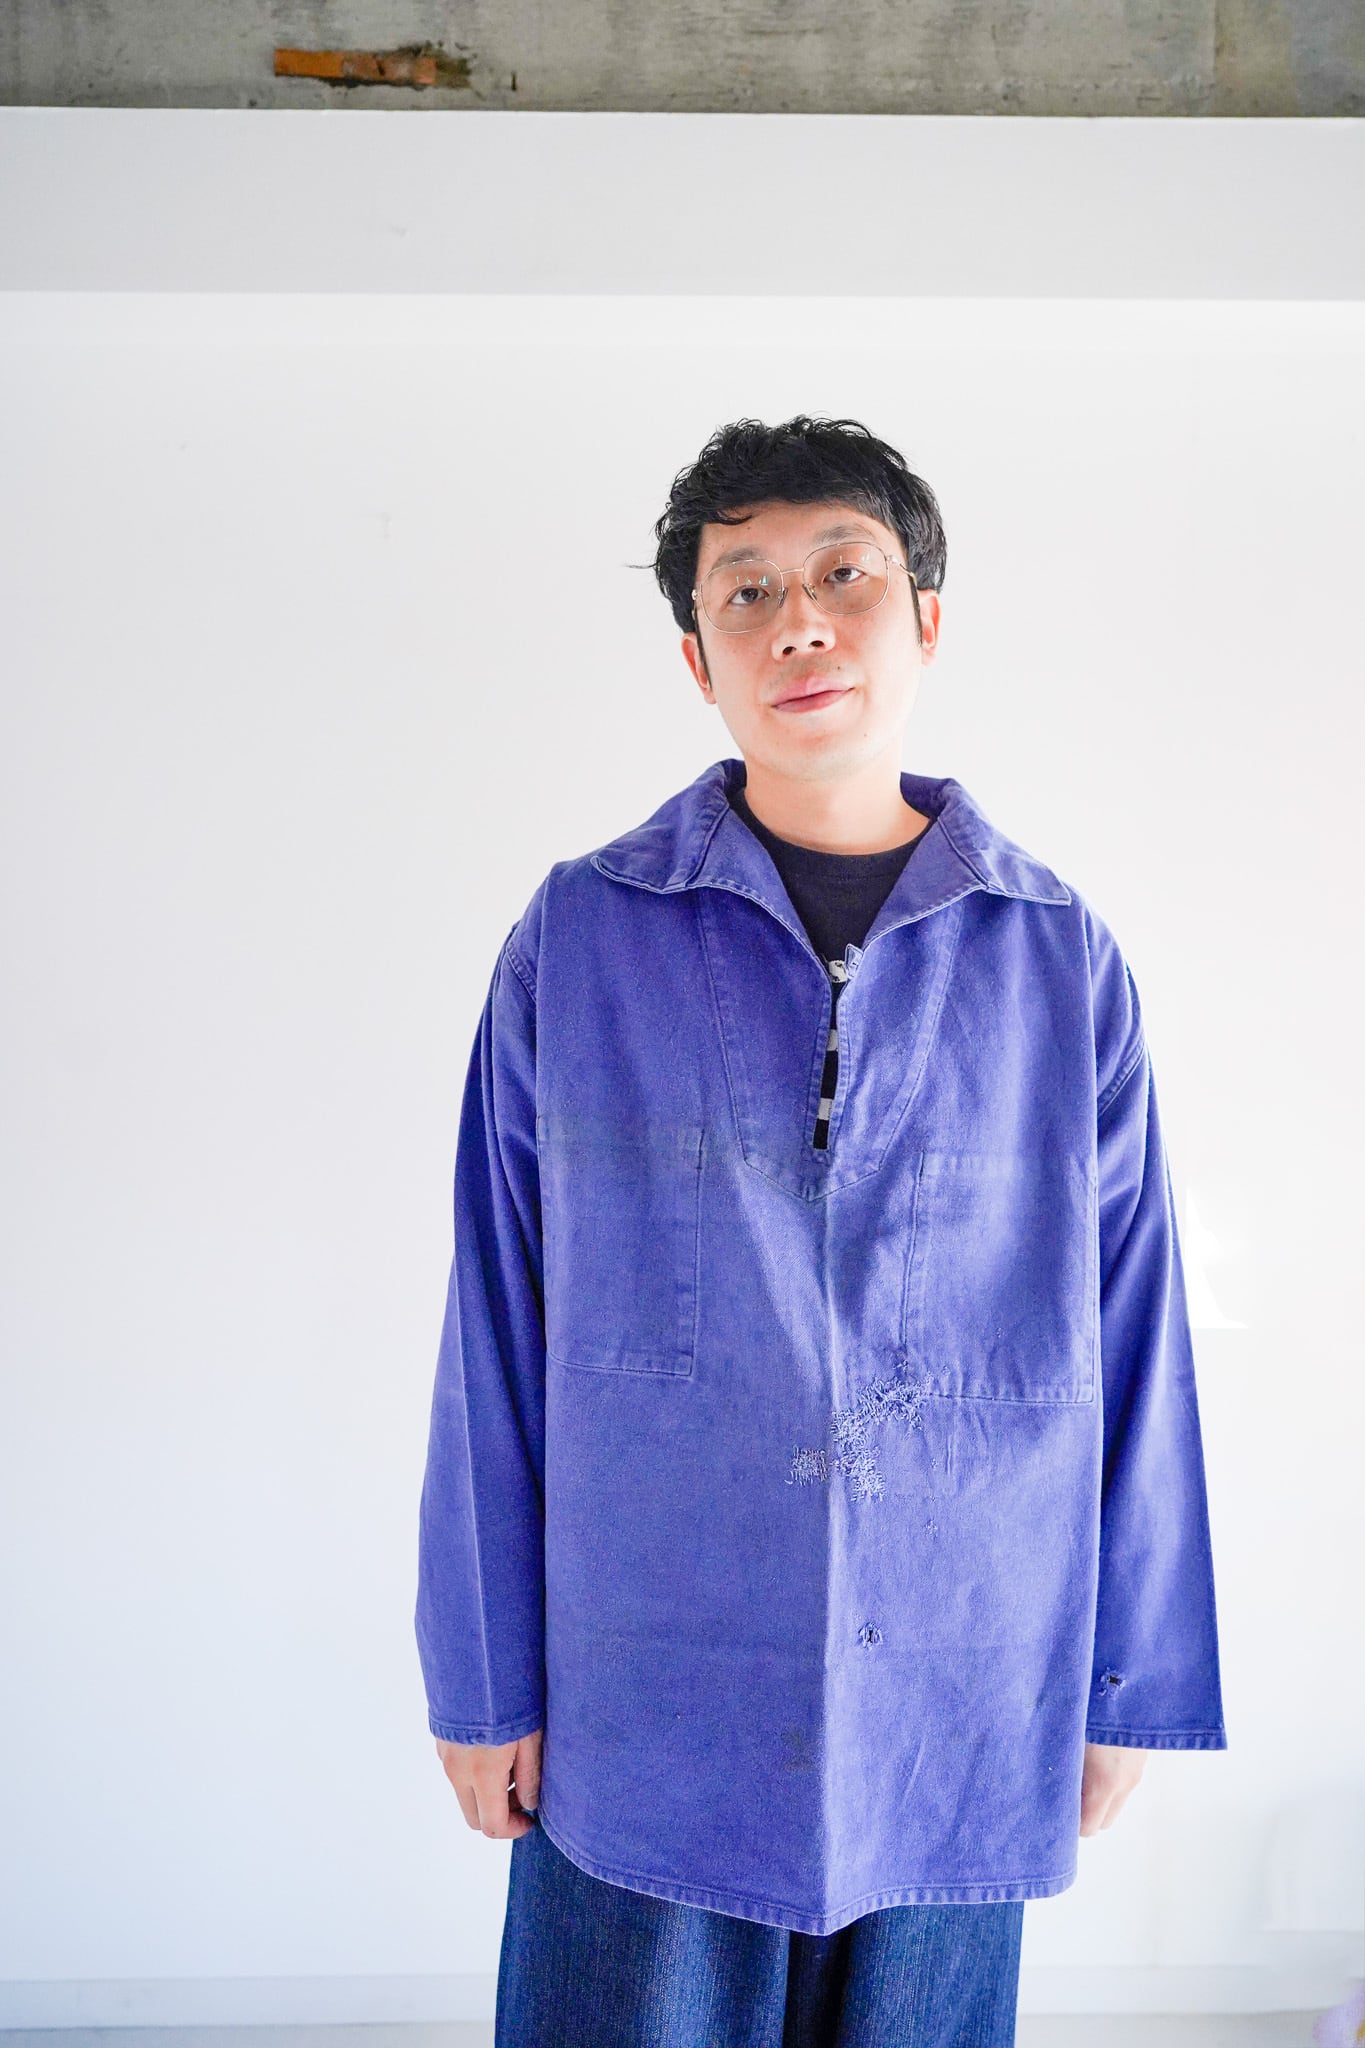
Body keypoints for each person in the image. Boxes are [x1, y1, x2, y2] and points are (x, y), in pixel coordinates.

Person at [414, 415, 1228, 2047]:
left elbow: (1133, 1318)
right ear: (697, 659)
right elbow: (494, 1319)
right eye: (745, 591)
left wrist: (1126, 1678)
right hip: (647, 1685)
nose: (797, 621)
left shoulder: (1054, 955)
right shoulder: (581, 937)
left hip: (962, 1672)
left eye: (841, 575)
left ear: (923, 617)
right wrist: (480, 1675)